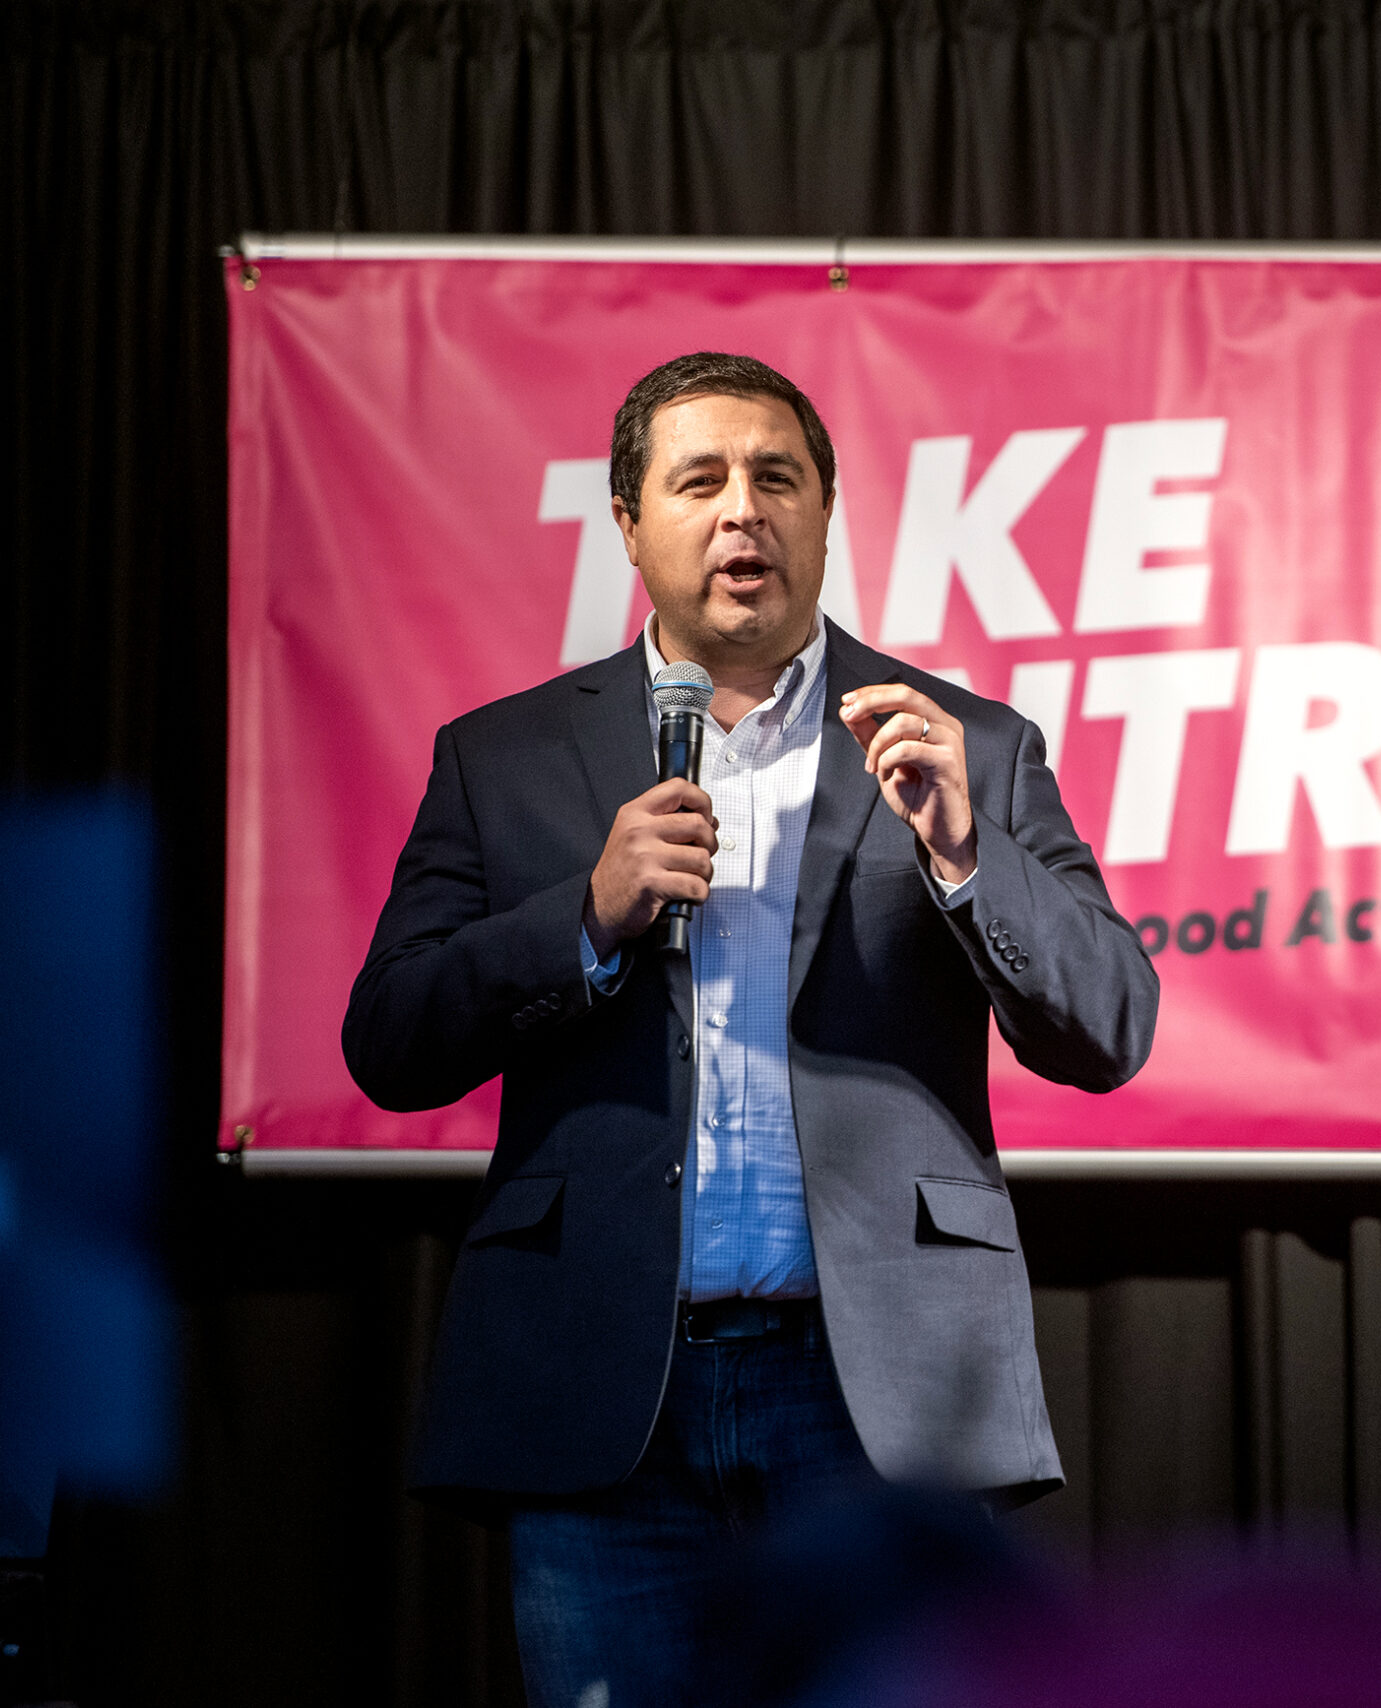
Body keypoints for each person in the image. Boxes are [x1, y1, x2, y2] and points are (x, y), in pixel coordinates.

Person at [343, 351, 1159, 1707]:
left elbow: (1111, 1026)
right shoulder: (505, 756)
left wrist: (966, 856)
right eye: (700, 480)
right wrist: (584, 917)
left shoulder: (962, 743)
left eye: (778, 478)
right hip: (608, 1386)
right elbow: (392, 1040)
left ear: (826, 516)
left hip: (875, 1397)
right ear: (628, 521)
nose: (743, 512)